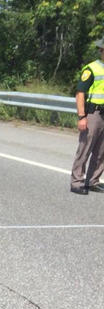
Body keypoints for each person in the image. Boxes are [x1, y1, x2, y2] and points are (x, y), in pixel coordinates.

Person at [70, 37, 104, 195]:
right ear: (101, 50)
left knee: (101, 151)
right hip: (93, 114)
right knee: (85, 149)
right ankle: (76, 182)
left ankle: (93, 181)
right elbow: (80, 93)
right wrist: (82, 116)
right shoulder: (91, 69)